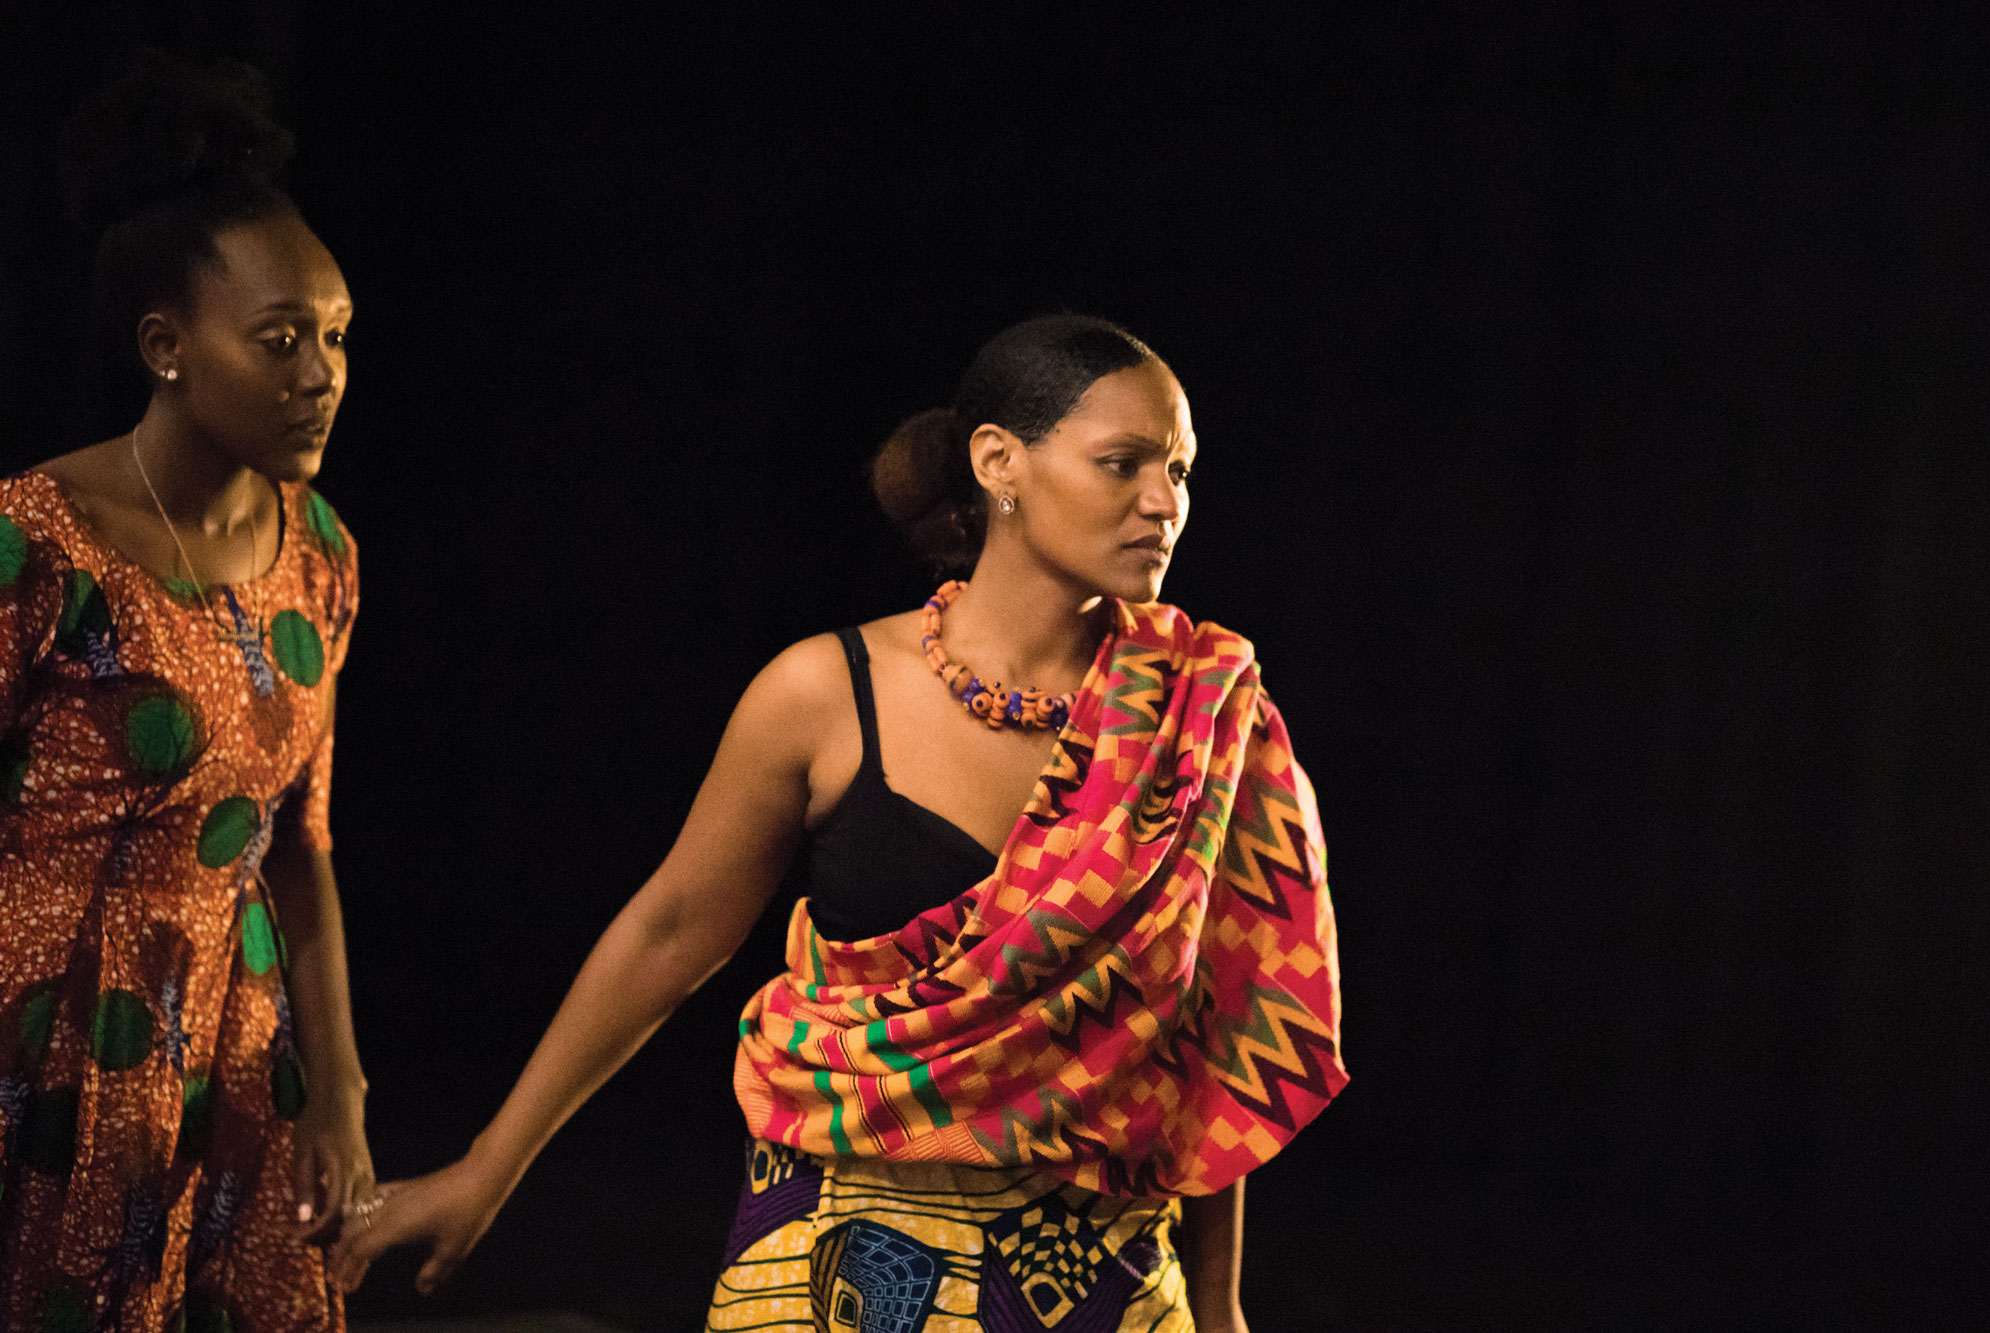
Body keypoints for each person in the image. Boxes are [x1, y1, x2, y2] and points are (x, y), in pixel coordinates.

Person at [332, 315, 1344, 1331]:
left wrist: (1219, 1304)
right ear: (999, 461)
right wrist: (487, 1167)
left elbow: (1212, 1027)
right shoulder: (823, 694)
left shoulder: (1202, 713)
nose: (1164, 501)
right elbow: (670, 930)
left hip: (1095, 1272)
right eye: (1123, 463)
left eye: (1179, 469)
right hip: (839, 1254)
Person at [0, 54, 369, 1332]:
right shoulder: (39, 541)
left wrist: (340, 1093)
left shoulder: (319, 552)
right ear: (166, 347)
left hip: (230, 1035)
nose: (319, 372)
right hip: (43, 1042)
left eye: (334, 336)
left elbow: (300, 843)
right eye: (280, 339)